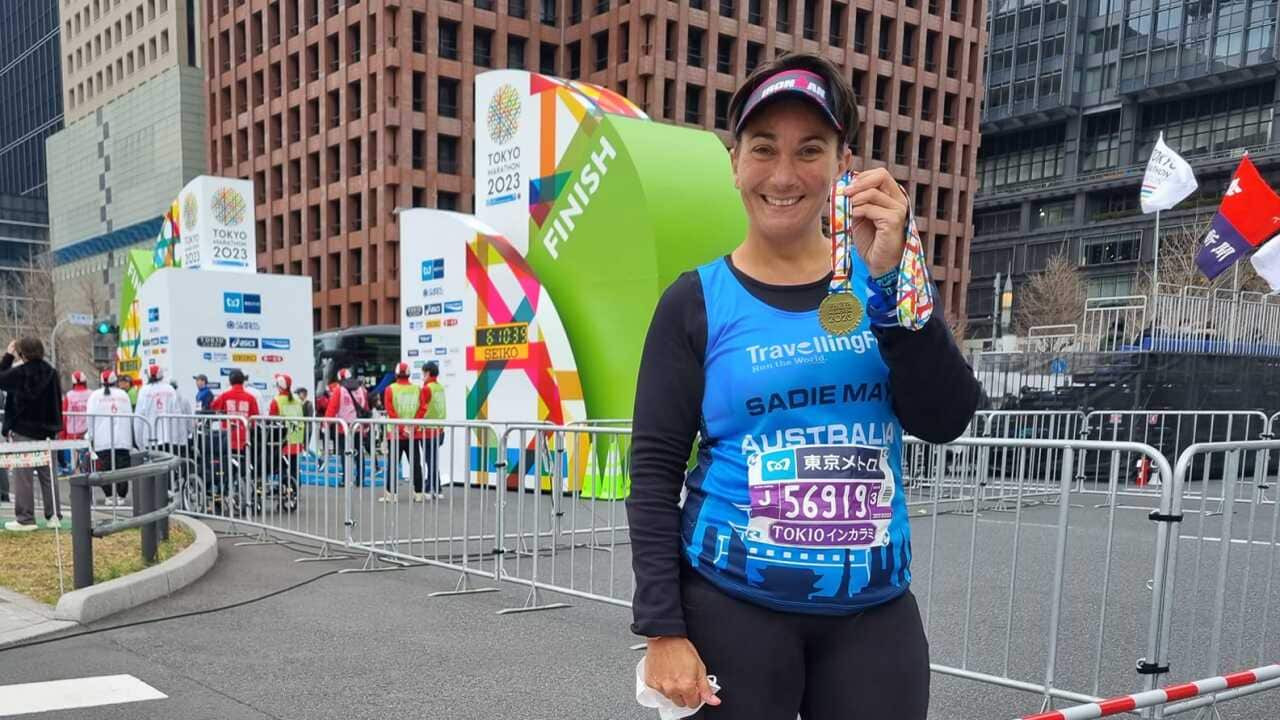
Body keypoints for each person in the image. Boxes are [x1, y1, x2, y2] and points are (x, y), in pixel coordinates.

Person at [626, 53, 980, 720]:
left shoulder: (885, 277)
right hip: (730, 608)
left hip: (873, 620)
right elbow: (652, 471)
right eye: (763, 149)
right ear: (735, 165)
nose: (784, 175)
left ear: (843, 162)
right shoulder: (695, 302)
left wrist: (889, 292)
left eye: (809, 149)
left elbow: (945, 417)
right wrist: (663, 629)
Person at [0, 338, 64, 531]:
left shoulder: (20, 372)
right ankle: (54, 516)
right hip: (47, 431)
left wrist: (8, 356)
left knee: (24, 475)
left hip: (24, 429)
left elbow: (1, 379)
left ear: (22, 353)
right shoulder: (51, 372)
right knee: (48, 475)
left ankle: (25, 518)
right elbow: (57, 401)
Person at [381, 362, 434, 502]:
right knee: (415, 464)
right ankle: (419, 493)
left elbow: (390, 411)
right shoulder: (417, 389)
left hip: (395, 434)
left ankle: (391, 495)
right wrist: (411, 427)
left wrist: (401, 427)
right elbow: (423, 409)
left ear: (396, 374)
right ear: (409, 374)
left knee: (393, 464)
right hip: (413, 433)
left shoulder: (389, 389)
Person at [86, 369, 135, 504]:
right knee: (122, 468)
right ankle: (122, 496)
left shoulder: (95, 396)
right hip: (122, 438)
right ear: (115, 381)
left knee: (104, 468)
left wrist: (90, 436)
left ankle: (108, 496)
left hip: (103, 439)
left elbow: (89, 418)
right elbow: (130, 416)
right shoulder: (123, 395)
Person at [266, 373, 304, 505]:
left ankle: (284, 491)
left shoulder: (276, 400)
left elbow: (271, 420)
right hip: (296, 437)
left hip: (283, 439)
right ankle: (295, 491)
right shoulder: (297, 399)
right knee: (294, 467)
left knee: (282, 467)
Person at [134, 365, 182, 454]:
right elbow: (177, 414)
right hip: (169, 437)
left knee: (154, 466)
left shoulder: (144, 391)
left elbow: (138, 417)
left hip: (150, 437)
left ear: (148, 376)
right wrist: (178, 438)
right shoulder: (170, 389)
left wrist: (139, 442)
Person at [418, 361, 446, 499]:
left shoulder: (426, 388)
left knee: (430, 460)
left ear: (428, 373)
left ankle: (431, 489)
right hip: (439, 430)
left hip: (428, 430)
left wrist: (414, 423)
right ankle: (437, 488)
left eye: (423, 373)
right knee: (433, 460)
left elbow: (422, 409)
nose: (422, 376)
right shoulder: (439, 387)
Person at [60, 370, 93, 474]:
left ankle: (77, 477)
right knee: (89, 459)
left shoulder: (69, 396)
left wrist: (63, 435)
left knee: (75, 462)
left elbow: (64, 416)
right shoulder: (92, 394)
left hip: (72, 433)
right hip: (89, 432)